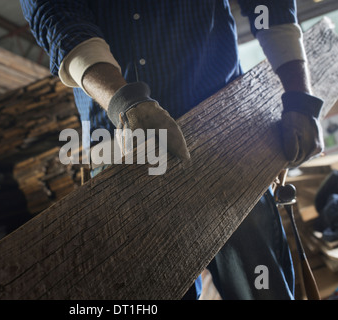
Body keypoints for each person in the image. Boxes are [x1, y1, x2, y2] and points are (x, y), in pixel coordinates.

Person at [20, 0, 324, 299]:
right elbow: (57, 15)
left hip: (225, 134)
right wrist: (123, 103)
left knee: (262, 289)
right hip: (123, 149)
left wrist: (299, 96)